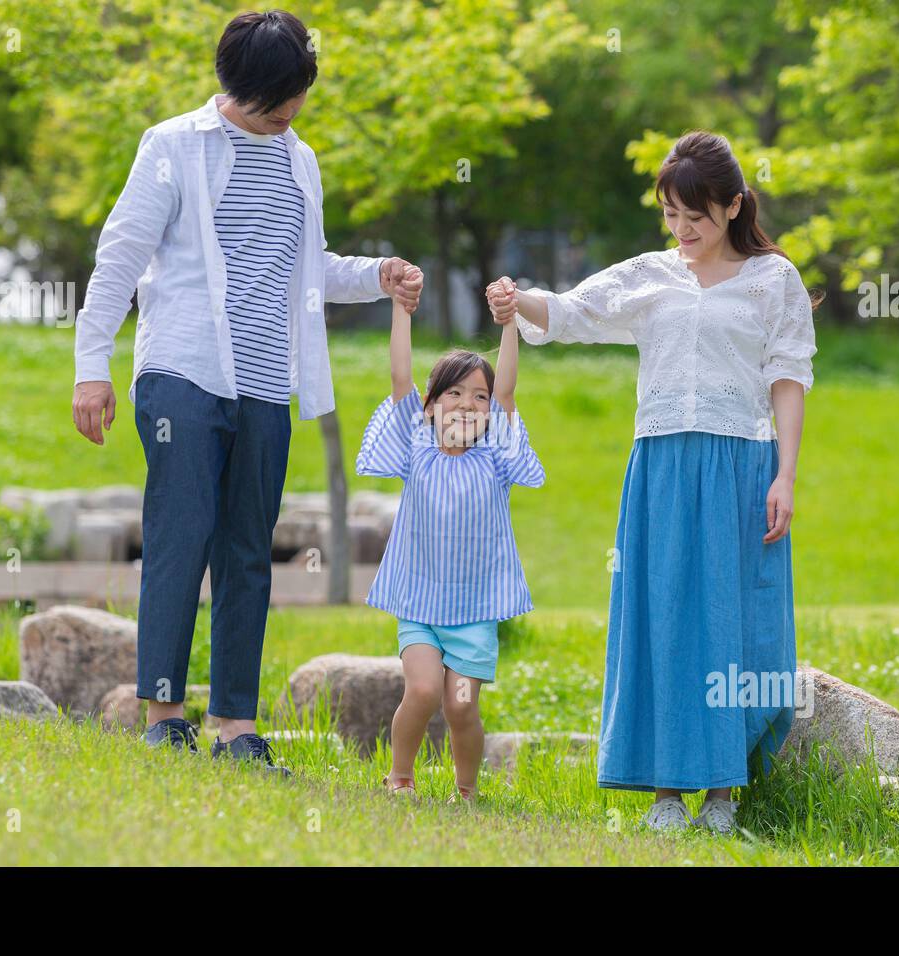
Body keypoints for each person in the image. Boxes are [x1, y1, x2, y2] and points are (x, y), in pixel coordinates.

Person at [70, 10, 423, 771]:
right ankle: (164, 713)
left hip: (266, 382)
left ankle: (235, 726)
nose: (292, 111)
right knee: (180, 534)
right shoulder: (173, 147)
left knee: (247, 551)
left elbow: (309, 264)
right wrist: (90, 366)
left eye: (297, 96)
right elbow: (120, 258)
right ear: (243, 88)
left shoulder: (301, 160)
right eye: (280, 99)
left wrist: (376, 276)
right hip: (183, 372)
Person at [486, 129, 817, 833]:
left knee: (733, 621)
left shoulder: (772, 281)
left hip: (743, 464)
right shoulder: (652, 275)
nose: (682, 230)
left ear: (732, 206)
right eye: (671, 215)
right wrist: (518, 300)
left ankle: (724, 793)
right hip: (661, 467)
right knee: (662, 617)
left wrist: (785, 474)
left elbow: (787, 378)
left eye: (695, 216)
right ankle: (667, 791)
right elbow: (575, 311)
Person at [355, 276, 545, 801]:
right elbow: (399, 378)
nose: (468, 403)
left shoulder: (497, 457)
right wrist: (401, 309)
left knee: (460, 704)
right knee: (420, 690)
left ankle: (466, 791)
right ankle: (401, 778)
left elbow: (507, 391)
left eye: (477, 396)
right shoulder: (416, 449)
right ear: (430, 405)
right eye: (454, 393)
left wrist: (509, 324)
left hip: (475, 608)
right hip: (418, 602)